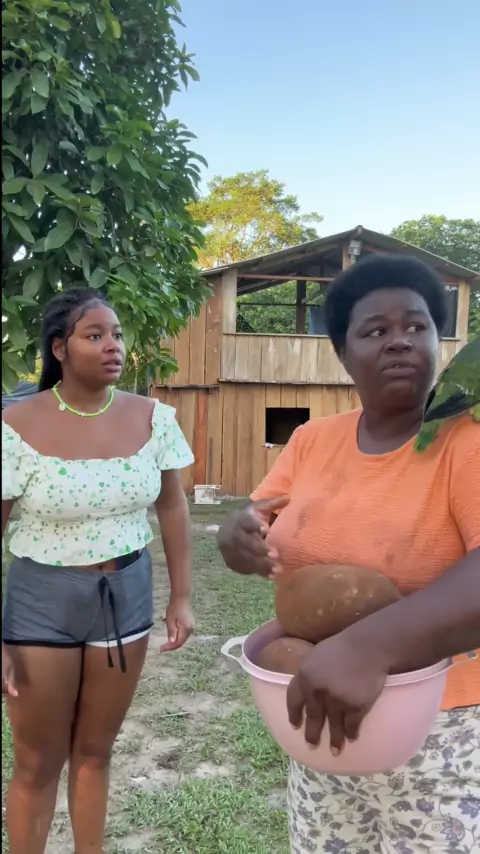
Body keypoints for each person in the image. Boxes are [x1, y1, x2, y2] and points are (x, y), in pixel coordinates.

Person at [217, 254, 480, 854]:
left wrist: (368, 647)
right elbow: (257, 520)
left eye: (416, 326)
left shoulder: (466, 442)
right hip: (319, 711)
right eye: (375, 330)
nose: (399, 341)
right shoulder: (313, 440)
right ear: (343, 353)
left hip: (441, 730)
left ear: (438, 342)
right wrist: (236, 536)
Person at [1, 288, 195, 854]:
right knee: (38, 761)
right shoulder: (15, 426)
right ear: (59, 348)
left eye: (116, 334)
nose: (113, 346)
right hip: (41, 601)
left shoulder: (153, 418)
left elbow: (172, 505)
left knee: (95, 752)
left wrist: (181, 596)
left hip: (126, 594)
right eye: (95, 335)